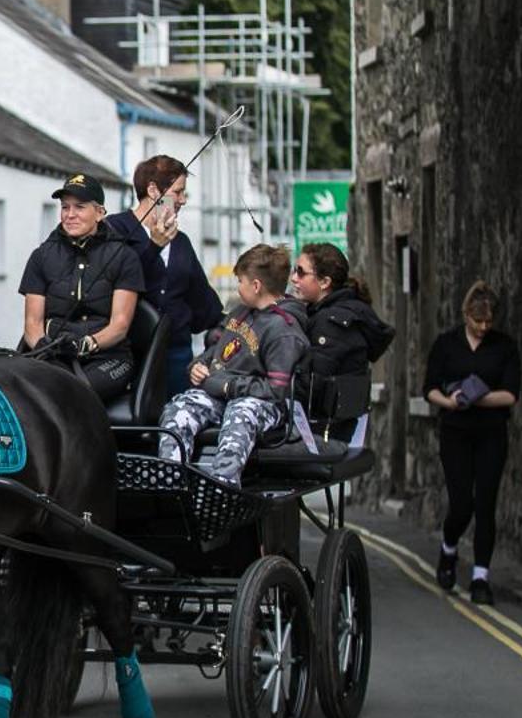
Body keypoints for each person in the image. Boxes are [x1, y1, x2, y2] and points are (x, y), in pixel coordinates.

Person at [156, 244, 308, 486]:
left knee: (241, 412)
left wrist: (226, 386)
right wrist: (198, 366)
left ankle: (222, 491)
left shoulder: (284, 331)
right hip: (221, 394)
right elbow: (215, 351)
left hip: (265, 406)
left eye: (240, 281)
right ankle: (172, 487)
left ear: (256, 286)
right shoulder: (240, 313)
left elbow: (276, 391)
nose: (238, 287)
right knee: (180, 408)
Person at [423, 280, 521, 604]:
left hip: (492, 432)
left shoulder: (504, 347)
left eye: (489, 322)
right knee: (462, 502)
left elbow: (511, 394)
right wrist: (450, 402)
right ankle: (449, 548)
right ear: (466, 314)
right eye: (478, 321)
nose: (483, 327)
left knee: (486, 504)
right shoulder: (446, 345)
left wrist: (480, 398)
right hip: (456, 431)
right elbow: (430, 388)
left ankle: (481, 576)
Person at [19, 172, 144, 401]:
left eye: (79, 207)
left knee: (72, 392)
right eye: (65, 207)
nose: (70, 215)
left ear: (99, 213)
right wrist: (46, 349)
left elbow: (120, 325)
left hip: (108, 358)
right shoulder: (41, 256)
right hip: (52, 355)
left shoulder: (125, 257)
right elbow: (32, 324)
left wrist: (86, 344)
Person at [104, 154, 225, 392]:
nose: (182, 200)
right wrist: (153, 247)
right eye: (177, 192)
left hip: (176, 352)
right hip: (130, 353)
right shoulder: (115, 229)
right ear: (152, 190)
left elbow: (201, 299)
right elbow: (116, 279)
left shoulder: (181, 241)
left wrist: (234, 321)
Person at [290, 242, 395, 411]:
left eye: (301, 272)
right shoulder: (328, 314)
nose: (294, 278)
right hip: (330, 428)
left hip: (326, 430)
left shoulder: (332, 323)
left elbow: (312, 385)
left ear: (324, 282)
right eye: (294, 270)